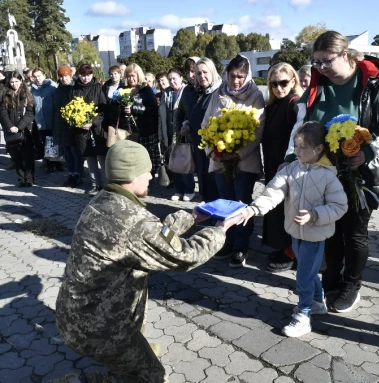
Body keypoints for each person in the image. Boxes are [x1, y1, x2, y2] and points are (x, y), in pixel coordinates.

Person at [52, 140, 242, 383]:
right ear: (130, 175)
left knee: (135, 355)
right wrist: (220, 229)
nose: (151, 176)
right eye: (146, 171)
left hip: (78, 316)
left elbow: (151, 236)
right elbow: (186, 256)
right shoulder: (132, 220)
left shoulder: (106, 200)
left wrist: (192, 217)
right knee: (151, 376)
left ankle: (129, 355)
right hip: (98, 328)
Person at [283, 31, 379, 313]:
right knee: (330, 230)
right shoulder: (316, 86)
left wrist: (368, 153)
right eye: (317, 62)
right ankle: (332, 279)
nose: (321, 67)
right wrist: (290, 157)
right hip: (321, 173)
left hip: (359, 173)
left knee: (355, 232)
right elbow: (300, 126)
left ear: (345, 55)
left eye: (326, 61)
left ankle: (352, 285)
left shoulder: (374, 85)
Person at [241, 121, 348, 337]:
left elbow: (340, 206)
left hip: (315, 235)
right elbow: (273, 192)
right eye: (295, 145)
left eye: (301, 147)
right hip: (295, 232)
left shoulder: (328, 176)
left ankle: (303, 315)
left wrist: (315, 214)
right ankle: (318, 302)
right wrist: (253, 210)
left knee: (303, 276)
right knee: (308, 272)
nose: (296, 151)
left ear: (318, 149)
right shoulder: (291, 169)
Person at [201, 54, 265, 268]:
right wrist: (214, 151)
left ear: (247, 76)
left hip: (244, 162)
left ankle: (241, 246)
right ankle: (226, 242)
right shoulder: (217, 94)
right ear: (226, 74)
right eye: (232, 75)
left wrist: (237, 155)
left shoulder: (255, 96)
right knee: (223, 203)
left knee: (240, 204)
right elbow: (206, 124)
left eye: (240, 76)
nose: (236, 80)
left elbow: (257, 132)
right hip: (219, 160)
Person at [262, 62, 303, 273]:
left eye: (283, 82)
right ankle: (282, 247)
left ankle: (291, 252)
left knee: (289, 208)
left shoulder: (294, 104)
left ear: (293, 81)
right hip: (272, 164)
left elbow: (300, 138)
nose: (279, 88)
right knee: (277, 208)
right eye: (274, 83)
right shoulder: (272, 105)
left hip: (289, 166)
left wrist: (290, 161)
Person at [177, 56, 219, 202]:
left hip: (215, 148)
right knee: (203, 179)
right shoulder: (197, 93)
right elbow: (191, 114)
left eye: (205, 72)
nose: (201, 76)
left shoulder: (219, 92)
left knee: (215, 181)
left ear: (212, 72)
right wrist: (186, 123)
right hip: (198, 143)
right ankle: (206, 207)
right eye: (198, 73)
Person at [159, 68, 195, 201]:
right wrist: (161, 135)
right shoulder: (165, 93)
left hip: (182, 133)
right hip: (167, 133)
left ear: (181, 78)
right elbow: (160, 117)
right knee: (173, 163)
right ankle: (179, 190)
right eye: (170, 79)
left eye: (174, 78)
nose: (172, 81)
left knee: (184, 161)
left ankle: (189, 189)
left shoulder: (186, 92)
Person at [71, 64, 107, 195]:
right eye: (83, 75)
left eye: (88, 75)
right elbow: (71, 108)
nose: (85, 78)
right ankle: (94, 183)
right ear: (79, 75)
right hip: (81, 130)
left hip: (97, 129)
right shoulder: (74, 89)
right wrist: (77, 121)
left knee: (101, 157)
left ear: (92, 75)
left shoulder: (98, 87)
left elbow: (103, 109)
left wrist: (92, 122)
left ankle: (105, 184)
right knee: (89, 157)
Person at [122, 63, 160, 178]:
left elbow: (153, 109)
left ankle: (149, 179)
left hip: (146, 129)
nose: (131, 78)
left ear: (139, 76)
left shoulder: (145, 89)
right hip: (129, 130)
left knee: (148, 157)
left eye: (133, 76)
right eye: (128, 76)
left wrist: (133, 109)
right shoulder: (123, 90)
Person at [0, 72, 35, 186]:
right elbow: (3, 113)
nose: (14, 84)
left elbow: (30, 113)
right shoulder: (5, 95)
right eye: (12, 82)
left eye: (16, 81)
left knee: (28, 155)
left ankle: (29, 178)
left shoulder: (27, 95)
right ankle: (21, 178)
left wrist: (19, 127)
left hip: (25, 130)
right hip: (11, 131)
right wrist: (10, 126)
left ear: (21, 81)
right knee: (16, 156)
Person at [52, 65, 82, 187]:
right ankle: (70, 174)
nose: (64, 79)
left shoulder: (75, 88)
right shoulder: (57, 90)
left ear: (70, 76)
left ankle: (77, 175)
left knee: (75, 151)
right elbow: (54, 108)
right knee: (67, 152)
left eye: (66, 76)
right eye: (62, 77)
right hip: (60, 124)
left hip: (73, 124)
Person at [31, 67, 59, 173]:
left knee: (55, 142)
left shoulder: (52, 86)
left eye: (39, 75)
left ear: (44, 75)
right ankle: (49, 165)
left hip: (52, 119)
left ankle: (58, 163)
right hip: (40, 121)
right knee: (45, 143)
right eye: (35, 76)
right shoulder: (32, 89)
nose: (38, 78)